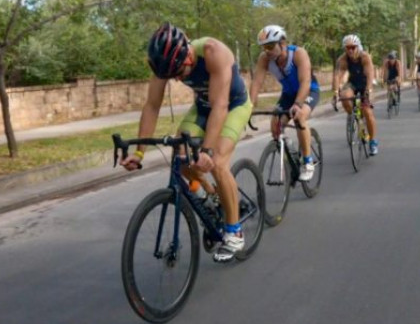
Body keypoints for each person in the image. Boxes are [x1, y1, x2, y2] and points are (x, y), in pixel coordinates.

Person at [120, 22, 252, 263]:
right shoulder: (164, 65)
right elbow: (152, 106)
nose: (178, 78)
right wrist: (139, 153)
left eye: (180, 73)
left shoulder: (214, 53)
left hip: (233, 105)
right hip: (203, 106)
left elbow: (220, 106)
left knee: (219, 163)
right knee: (180, 157)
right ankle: (213, 196)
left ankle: (234, 231)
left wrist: (207, 151)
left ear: (188, 53)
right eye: (173, 76)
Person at [250, 25, 320, 181]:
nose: (266, 50)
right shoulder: (265, 59)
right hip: (288, 94)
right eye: (263, 47)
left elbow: (305, 81)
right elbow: (256, 82)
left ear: (282, 43)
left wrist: (298, 104)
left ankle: (308, 162)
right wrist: (249, 106)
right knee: (275, 125)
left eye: (269, 46)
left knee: (299, 117)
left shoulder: (298, 54)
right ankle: (290, 148)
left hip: (308, 90)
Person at [333, 34, 379, 155]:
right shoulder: (342, 59)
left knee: (368, 112)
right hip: (353, 83)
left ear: (358, 47)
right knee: (344, 95)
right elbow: (338, 75)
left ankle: (373, 141)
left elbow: (370, 75)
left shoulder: (365, 57)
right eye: (347, 48)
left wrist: (368, 90)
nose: (350, 50)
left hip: (365, 83)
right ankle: (355, 118)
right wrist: (335, 92)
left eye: (353, 47)